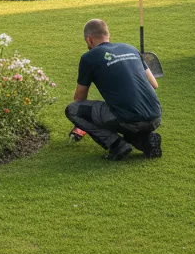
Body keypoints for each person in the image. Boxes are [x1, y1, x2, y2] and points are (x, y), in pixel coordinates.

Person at [65, 18, 162, 161]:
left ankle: (116, 145)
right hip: (155, 116)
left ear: (89, 40)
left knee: (73, 110)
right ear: (108, 35)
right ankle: (146, 140)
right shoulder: (130, 48)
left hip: (127, 119)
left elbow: (79, 99)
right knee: (128, 123)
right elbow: (154, 84)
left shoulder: (89, 58)